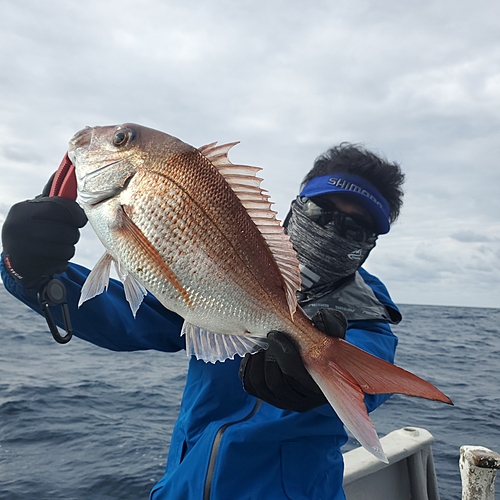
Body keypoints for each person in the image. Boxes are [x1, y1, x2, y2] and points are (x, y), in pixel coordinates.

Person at [1, 142, 405, 500]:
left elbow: (367, 375)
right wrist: (34, 272)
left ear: (371, 242)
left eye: (356, 225)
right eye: (322, 210)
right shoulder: (214, 268)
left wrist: (314, 389)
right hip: (182, 488)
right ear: (296, 207)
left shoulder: (368, 317)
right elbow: (123, 315)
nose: (333, 228)